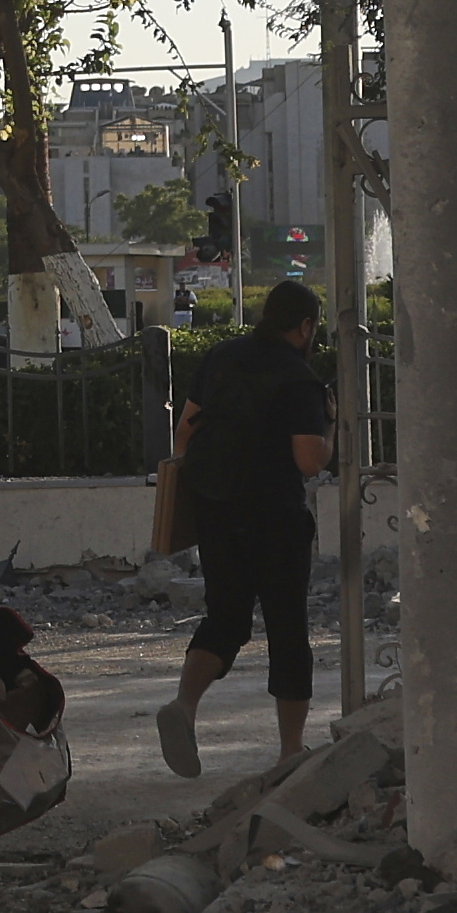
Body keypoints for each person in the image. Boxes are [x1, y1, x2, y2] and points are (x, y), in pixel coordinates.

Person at [158, 279, 338, 777]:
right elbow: (308, 461)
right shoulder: (300, 380)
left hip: (218, 510)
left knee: (227, 619)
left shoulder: (223, 357)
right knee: (287, 627)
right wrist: (331, 426)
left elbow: (186, 431)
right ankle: (290, 750)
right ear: (304, 325)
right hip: (276, 516)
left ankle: (184, 706)